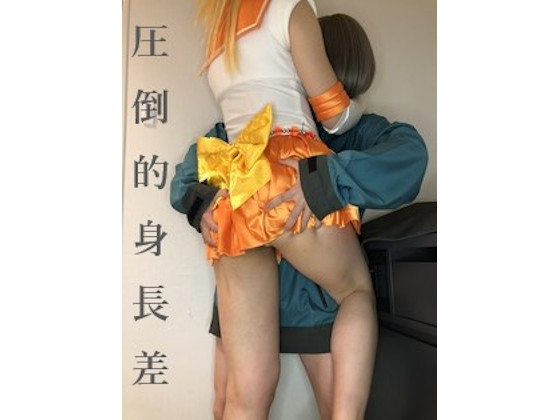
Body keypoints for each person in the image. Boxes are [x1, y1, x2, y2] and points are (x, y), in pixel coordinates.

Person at [171, 13, 428, 420]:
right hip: (281, 293)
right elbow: (194, 166)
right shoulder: (260, 125)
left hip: (314, 302)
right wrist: (200, 202)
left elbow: (409, 156)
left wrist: (328, 179)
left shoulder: (359, 131)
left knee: (257, 403)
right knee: (232, 403)